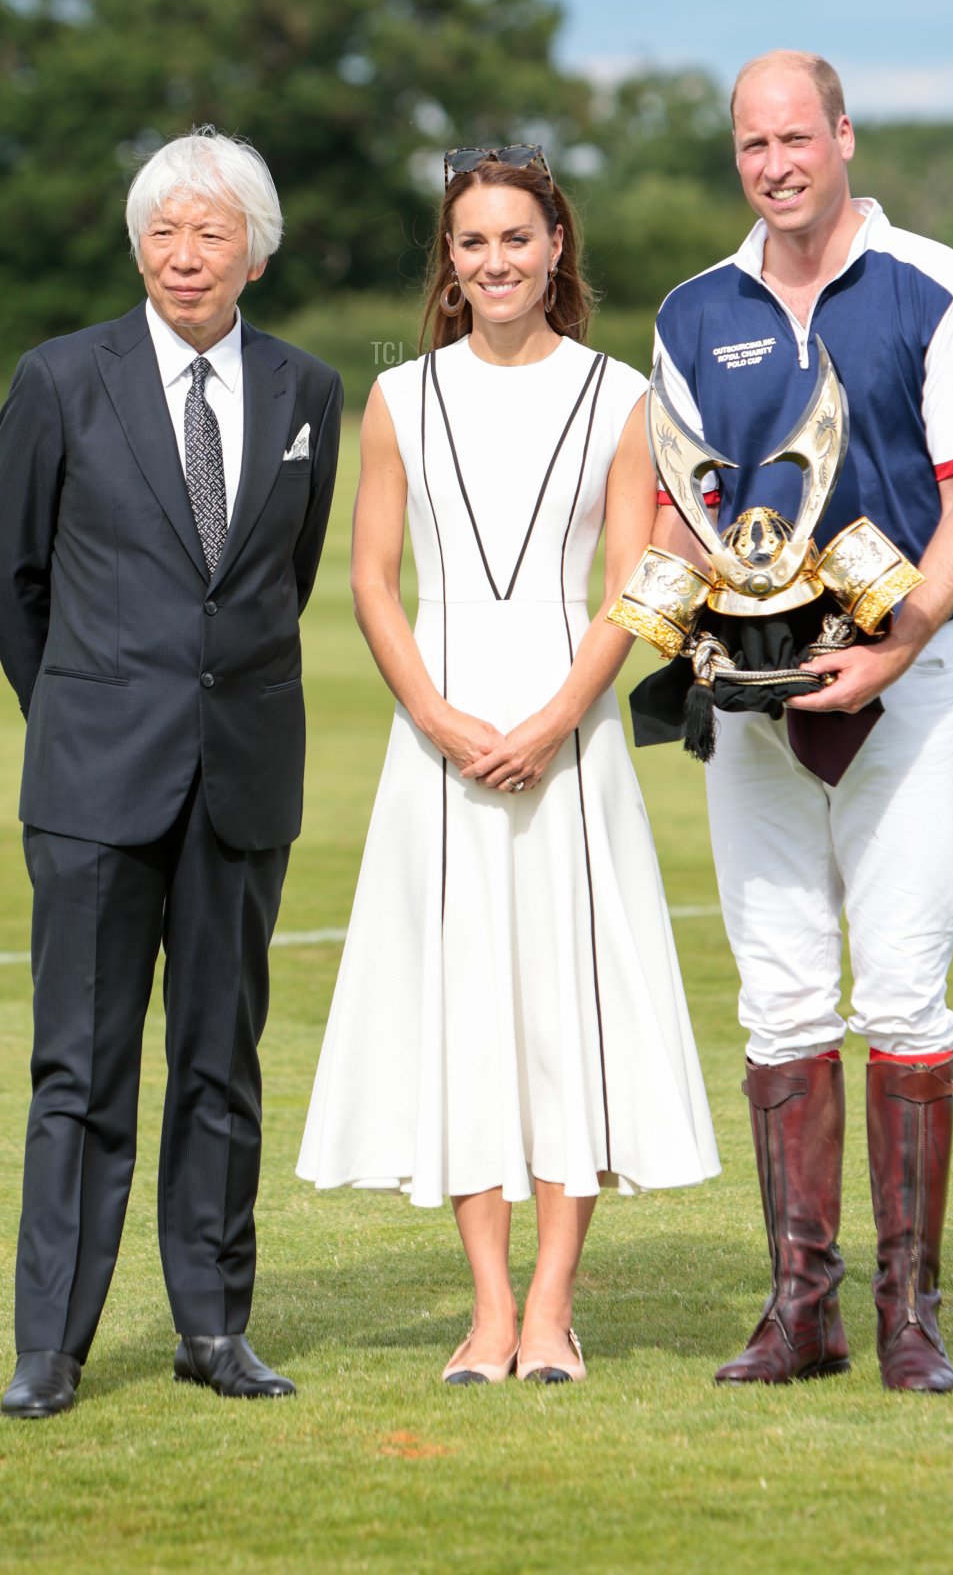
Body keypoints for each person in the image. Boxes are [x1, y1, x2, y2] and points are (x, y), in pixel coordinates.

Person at [297, 144, 719, 1385]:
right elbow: (373, 578)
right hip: (436, 745)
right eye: (472, 242)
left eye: (517, 240)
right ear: (450, 259)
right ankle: (485, 1314)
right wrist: (432, 710)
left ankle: (550, 1312)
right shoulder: (399, 400)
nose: (495, 262)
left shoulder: (620, 394)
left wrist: (555, 716)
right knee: (466, 1011)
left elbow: (644, 581)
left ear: (556, 251)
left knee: (562, 1012)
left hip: (569, 741)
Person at [649, 52, 953, 1392]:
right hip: (753, 709)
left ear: (844, 135)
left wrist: (898, 643)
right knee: (782, 993)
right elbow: (678, 508)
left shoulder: (941, 285)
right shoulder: (695, 310)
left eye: (795, 136)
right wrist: (677, 648)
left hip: (900, 692)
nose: (774, 164)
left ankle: (911, 1313)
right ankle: (802, 1308)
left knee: (906, 991)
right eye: (751, 144)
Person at [0, 127, 343, 1417]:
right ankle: (51, 1348)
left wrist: (196, 712)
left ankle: (213, 1328)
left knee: (219, 1063)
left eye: (212, 232)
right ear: (138, 244)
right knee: (78, 1069)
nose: (186, 257)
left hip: (241, 779)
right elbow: (10, 577)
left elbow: (279, 584)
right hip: (92, 784)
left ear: (255, 249)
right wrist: (80, 712)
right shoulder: (59, 378)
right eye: (164, 232)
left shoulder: (306, 392)